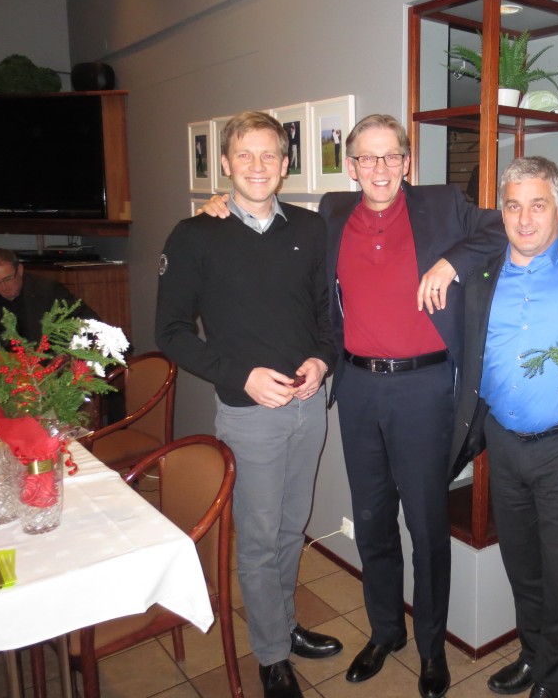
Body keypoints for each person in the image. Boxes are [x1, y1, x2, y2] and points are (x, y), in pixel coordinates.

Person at [200, 113, 505, 698]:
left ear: (407, 162)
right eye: (367, 157)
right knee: (372, 522)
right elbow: (266, 221)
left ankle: (431, 648)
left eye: (391, 156)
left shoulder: (442, 205)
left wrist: (452, 262)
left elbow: (500, 228)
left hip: (424, 389)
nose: (379, 168)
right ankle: (386, 631)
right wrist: (221, 205)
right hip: (359, 387)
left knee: (426, 525)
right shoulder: (331, 213)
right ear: (351, 167)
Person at [155, 111, 342, 698]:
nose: (258, 166)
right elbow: (171, 331)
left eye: (269, 155)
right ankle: (271, 656)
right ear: (226, 163)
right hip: (248, 412)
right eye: (245, 155)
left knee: (290, 528)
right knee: (259, 539)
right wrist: (242, 376)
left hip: (308, 406)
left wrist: (322, 361)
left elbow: (328, 315)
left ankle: (282, 626)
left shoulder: (310, 228)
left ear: (285, 164)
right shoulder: (194, 235)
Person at [450, 156, 558, 698]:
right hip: (503, 444)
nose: (525, 219)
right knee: (522, 564)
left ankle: (555, 680)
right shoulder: (482, 273)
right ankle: (532, 654)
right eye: (513, 206)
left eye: (538, 205)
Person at [0, 248, 98, 348]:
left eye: (7, 279)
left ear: (20, 270)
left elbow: (92, 323)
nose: (3, 287)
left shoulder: (49, 290)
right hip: (1, 360)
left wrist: (67, 351)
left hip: (43, 359)